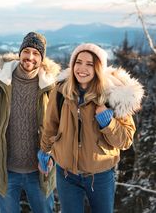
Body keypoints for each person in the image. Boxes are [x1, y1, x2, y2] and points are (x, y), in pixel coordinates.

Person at [38, 43, 144, 213]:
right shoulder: (60, 91)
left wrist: (108, 123)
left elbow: (125, 140)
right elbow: (51, 124)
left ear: (98, 69)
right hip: (66, 175)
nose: (82, 68)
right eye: (78, 62)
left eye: (89, 64)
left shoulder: (113, 96)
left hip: (100, 176)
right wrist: (44, 150)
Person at [0, 32, 60, 213]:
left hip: (40, 171)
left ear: (42, 58)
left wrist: (53, 154)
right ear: (20, 52)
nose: (30, 57)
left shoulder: (50, 86)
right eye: (27, 51)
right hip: (6, 170)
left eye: (36, 53)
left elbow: (60, 124)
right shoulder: (1, 80)